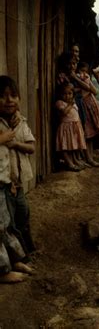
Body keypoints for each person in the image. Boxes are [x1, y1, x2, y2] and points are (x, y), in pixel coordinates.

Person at [0, 76, 34, 283]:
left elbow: (30, 146)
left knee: (6, 225)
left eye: (13, 96)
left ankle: (13, 261)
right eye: (2, 97)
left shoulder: (17, 121)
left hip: (5, 183)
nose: (9, 100)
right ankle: (2, 271)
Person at [75, 61, 99, 165]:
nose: (84, 73)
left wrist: (87, 85)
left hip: (91, 105)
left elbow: (94, 91)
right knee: (86, 133)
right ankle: (87, 158)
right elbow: (87, 89)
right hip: (83, 106)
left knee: (91, 134)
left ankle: (90, 158)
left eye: (86, 71)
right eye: (82, 71)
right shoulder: (76, 79)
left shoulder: (85, 78)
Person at [55, 83, 88, 171]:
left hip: (74, 127)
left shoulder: (74, 103)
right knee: (65, 147)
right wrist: (70, 105)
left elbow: (76, 114)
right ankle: (69, 163)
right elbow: (64, 113)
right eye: (64, 94)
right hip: (66, 128)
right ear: (60, 94)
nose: (67, 96)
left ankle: (75, 160)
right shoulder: (60, 103)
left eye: (70, 94)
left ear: (73, 94)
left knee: (73, 146)